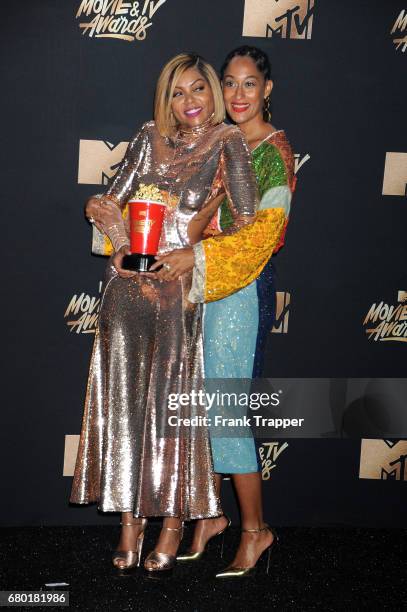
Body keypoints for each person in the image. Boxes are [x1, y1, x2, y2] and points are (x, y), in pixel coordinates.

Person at [70, 52, 269, 574]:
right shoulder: (146, 138)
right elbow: (104, 201)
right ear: (167, 100)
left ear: (214, 94)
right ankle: (130, 525)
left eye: (199, 90)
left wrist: (196, 232)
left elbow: (247, 222)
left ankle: (173, 521)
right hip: (129, 291)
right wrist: (119, 243)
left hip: (179, 293)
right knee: (129, 409)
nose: (190, 102)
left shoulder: (227, 143)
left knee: (172, 412)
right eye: (178, 93)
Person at [173, 46, 296, 578]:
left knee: (225, 414)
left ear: (266, 89)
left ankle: (256, 531)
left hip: (240, 288)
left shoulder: (273, 151)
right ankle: (212, 516)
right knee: (201, 408)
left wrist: (195, 253)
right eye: (229, 83)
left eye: (250, 84)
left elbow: (264, 237)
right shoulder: (218, 144)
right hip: (201, 288)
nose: (238, 94)